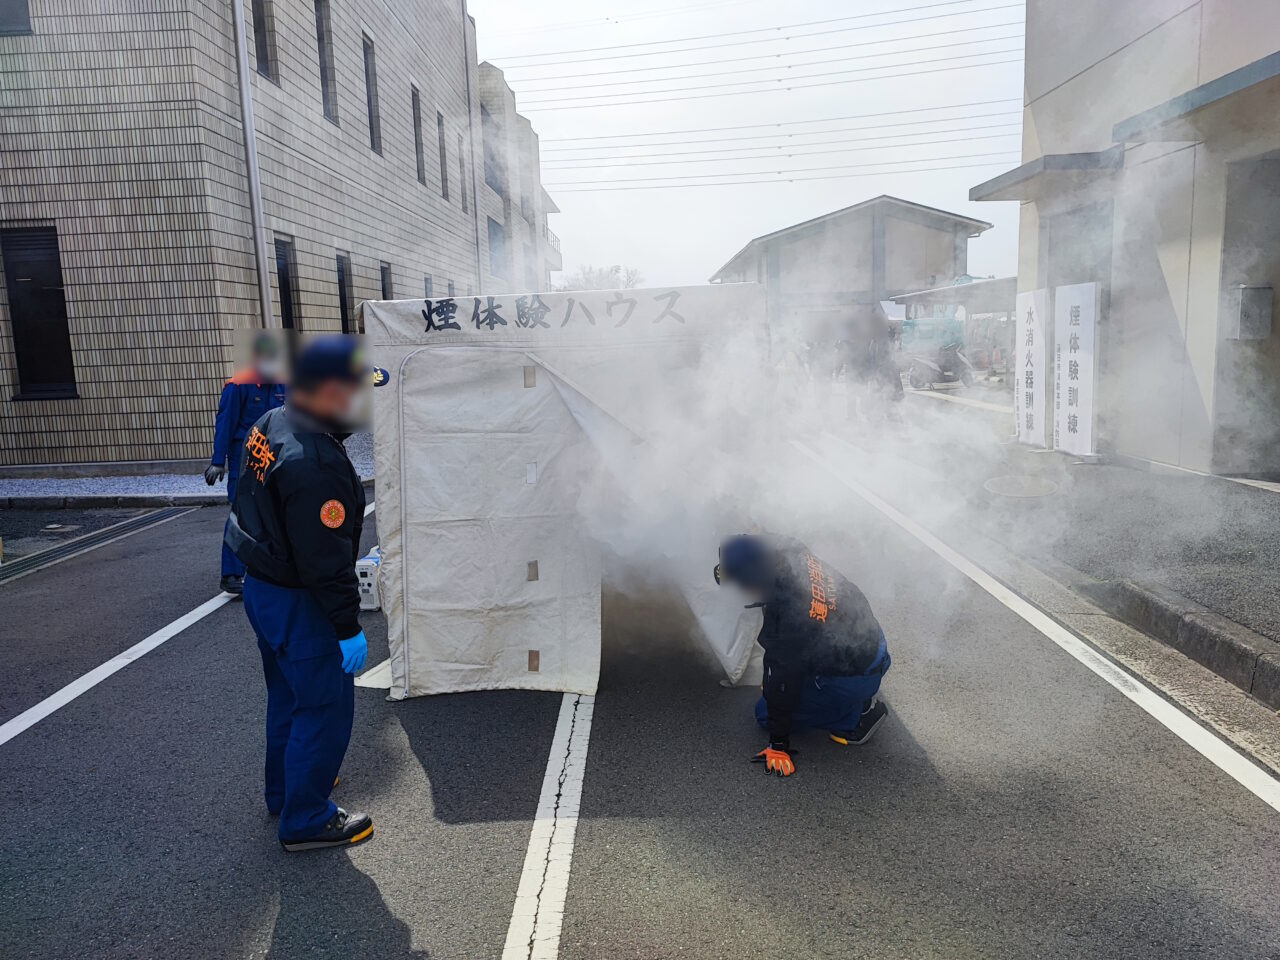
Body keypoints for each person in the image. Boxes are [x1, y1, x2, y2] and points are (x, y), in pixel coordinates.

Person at [225, 335, 372, 851]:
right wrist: (348, 627)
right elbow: (325, 560)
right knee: (323, 706)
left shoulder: (274, 422)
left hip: (264, 588)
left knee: (287, 698)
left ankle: (286, 790)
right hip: (300, 600)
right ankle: (306, 818)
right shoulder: (317, 463)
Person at [715, 533, 891, 777]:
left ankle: (858, 716)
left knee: (765, 713)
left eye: (742, 583)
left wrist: (778, 745)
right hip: (873, 643)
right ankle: (849, 695)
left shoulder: (791, 619)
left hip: (857, 675)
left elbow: (784, 676)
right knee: (786, 677)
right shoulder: (789, 548)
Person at [206, 334, 287, 595]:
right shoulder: (238, 385)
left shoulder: (284, 384)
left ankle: (270, 567)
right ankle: (231, 574)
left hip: (276, 458)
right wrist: (218, 462)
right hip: (244, 460)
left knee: (276, 511)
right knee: (241, 512)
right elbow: (225, 423)